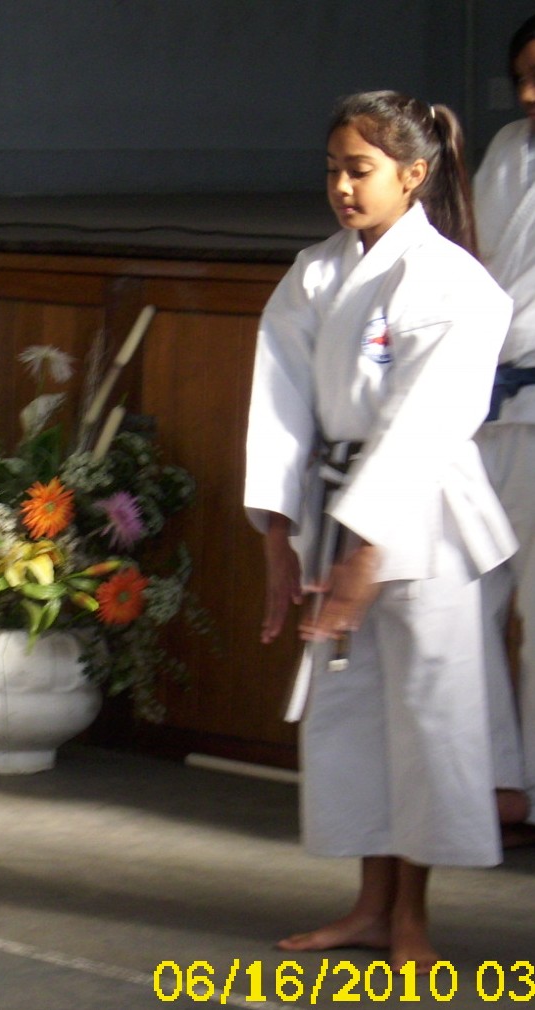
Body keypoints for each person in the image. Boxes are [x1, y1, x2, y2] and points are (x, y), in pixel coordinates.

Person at [244, 91, 515, 972]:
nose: (340, 187)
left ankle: (410, 919)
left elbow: (422, 427)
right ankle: (367, 907)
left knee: (426, 720)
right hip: (335, 506)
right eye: (331, 170)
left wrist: (365, 552)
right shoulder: (313, 272)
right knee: (354, 718)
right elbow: (279, 406)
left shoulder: (455, 285)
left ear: (413, 173)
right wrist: (276, 534)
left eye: (358, 170)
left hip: (425, 522)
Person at [473, 14, 535, 841]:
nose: (526, 93)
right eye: (520, 75)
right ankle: (491, 780)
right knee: (466, 596)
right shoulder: (505, 152)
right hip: (481, 402)